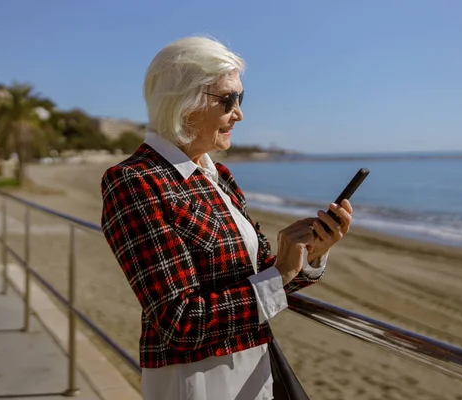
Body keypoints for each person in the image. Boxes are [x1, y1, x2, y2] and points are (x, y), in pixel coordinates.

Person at [100, 36, 353, 400]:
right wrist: (280, 273)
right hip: (196, 382)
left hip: (255, 370)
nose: (239, 113)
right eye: (228, 99)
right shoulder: (135, 181)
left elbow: (258, 281)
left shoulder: (217, 175)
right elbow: (179, 321)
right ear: (183, 103)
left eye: (240, 98)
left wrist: (307, 256)